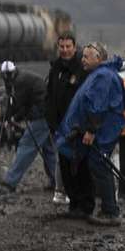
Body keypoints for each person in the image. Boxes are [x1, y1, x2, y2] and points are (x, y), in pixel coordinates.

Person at [56, 42, 124, 226]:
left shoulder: (103, 76)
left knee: (99, 164)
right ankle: (101, 208)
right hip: (98, 128)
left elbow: (97, 104)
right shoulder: (98, 74)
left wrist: (91, 130)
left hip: (102, 130)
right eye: (83, 56)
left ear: (99, 58)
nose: (82, 59)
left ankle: (111, 211)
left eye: (87, 56)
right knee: (95, 164)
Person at [0, 60, 57, 193]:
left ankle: (10, 182)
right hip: (47, 113)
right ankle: (57, 182)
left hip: (42, 115)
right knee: (48, 149)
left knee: (26, 145)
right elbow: (14, 103)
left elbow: (20, 105)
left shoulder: (20, 82)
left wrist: (12, 118)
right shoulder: (17, 78)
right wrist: (7, 116)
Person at [46, 32, 87, 208]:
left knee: (81, 167)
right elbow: (49, 96)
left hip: (77, 127)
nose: (64, 50)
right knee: (64, 166)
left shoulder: (82, 68)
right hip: (60, 127)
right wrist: (51, 122)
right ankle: (73, 204)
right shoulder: (55, 68)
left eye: (68, 46)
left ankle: (85, 205)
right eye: (61, 47)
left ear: (74, 47)